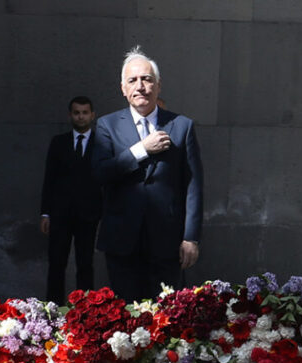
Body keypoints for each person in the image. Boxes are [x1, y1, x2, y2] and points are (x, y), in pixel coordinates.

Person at [91, 49, 203, 301]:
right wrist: (141, 150)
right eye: (133, 80)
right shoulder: (107, 125)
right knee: (126, 318)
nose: (140, 86)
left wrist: (191, 237)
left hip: (168, 241)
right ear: (123, 88)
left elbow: (193, 185)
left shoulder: (182, 125)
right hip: (122, 239)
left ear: (158, 85)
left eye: (147, 79)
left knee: (167, 316)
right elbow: (100, 173)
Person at [40, 95, 103, 304]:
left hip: (89, 214)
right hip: (60, 214)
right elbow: (49, 179)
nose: (81, 116)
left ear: (92, 115)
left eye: (85, 112)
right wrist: (46, 212)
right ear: (70, 115)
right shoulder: (59, 142)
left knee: (85, 263)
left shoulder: (102, 143)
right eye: (77, 112)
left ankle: (85, 311)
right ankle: (53, 310)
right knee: (57, 263)